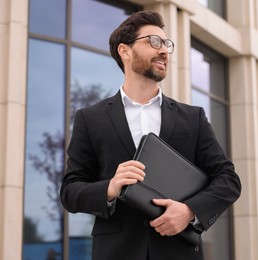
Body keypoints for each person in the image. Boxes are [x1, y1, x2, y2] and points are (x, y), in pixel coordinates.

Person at [60, 10, 241, 260]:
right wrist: (110, 188)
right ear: (125, 51)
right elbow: (70, 192)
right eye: (154, 42)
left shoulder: (193, 117)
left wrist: (189, 211)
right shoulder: (90, 118)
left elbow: (228, 179)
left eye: (166, 44)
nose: (164, 50)